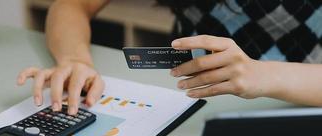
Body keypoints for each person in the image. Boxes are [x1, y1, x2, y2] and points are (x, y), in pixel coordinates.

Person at [17, 0, 322, 115]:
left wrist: (262, 74)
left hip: (300, 99)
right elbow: (72, 5)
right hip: (185, 101)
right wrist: (74, 60)